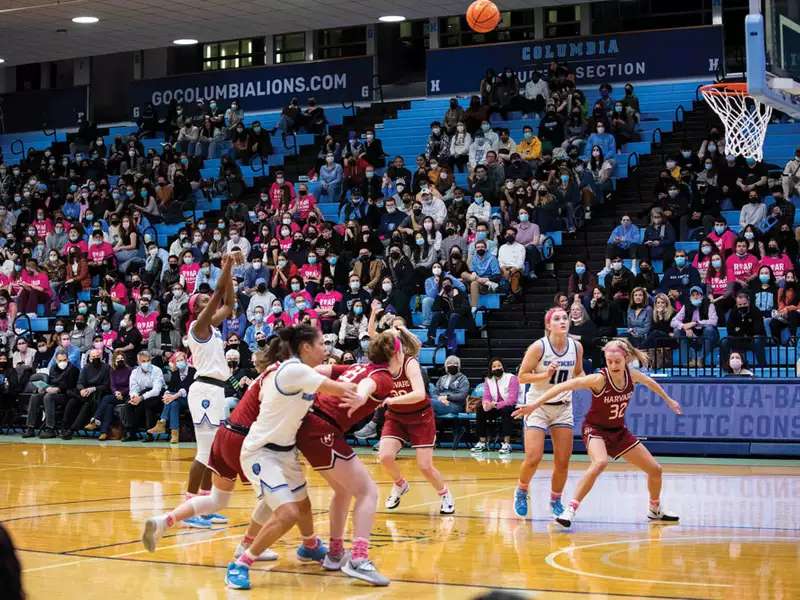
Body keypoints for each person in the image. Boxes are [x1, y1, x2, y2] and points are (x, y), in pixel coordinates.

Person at [230, 326, 359, 590]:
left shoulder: (297, 371)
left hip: (285, 451)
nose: (326, 348)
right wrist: (376, 381)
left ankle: (310, 545)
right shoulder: (293, 370)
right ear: (306, 348)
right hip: (261, 452)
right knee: (287, 512)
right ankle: (242, 563)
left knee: (303, 506)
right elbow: (340, 389)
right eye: (322, 343)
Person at [513, 338, 682, 528]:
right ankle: (570, 509)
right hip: (595, 430)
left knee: (655, 469)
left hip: (618, 431)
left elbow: (651, 383)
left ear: (626, 358)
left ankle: (655, 509)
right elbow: (563, 386)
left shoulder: (632, 375)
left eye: (617, 361)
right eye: (609, 362)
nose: (613, 365)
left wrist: (669, 400)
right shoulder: (599, 379)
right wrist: (534, 404)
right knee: (600, 462)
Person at [296, 331, 411, 585]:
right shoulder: (382, 377)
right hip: (322, 430)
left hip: (310, 425)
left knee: (343, 490)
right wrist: (360, 395)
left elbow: (321, 371)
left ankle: (335, 553)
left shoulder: (358, 366)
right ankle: (359, 558)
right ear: (396, 354)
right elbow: (370, 385)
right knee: (368, 491)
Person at [178, 252, 239, 528]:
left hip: (215, 390)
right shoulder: (197, 327)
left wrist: (231, 275)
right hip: (203, 390)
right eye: (203, 302)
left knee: (212, 452)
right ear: (196, 309)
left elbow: (229, 303)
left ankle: (204, 505)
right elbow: (217, 294)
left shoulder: (213, 328)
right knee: (204, 453)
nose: (209, 302)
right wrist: (226, 265)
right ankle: (189, 508)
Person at [513, 307, 584, 519]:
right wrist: (546, 374)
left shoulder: (576, 347)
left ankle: (555, 499)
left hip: (563, 407)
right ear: (548, 325)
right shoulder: (539, 347)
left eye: (565, 318)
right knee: (533, 457)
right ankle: (522, 490)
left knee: (562, 460)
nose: (563, 321)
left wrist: (593, 384)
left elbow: (579, 373)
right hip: (538, 406)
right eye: (557, 319)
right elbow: (522, 377)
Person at [377, 326, 454, 515]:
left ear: (397, 345)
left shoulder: (410, 363)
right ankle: (400, 484)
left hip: (420, 416)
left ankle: (445, 494)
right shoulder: (382, 364)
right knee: (385, 456)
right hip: (396, 417)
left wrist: (391, 400)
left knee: (424, 466)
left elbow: (420, 394)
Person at [22, 349, 79, 438]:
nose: (62, 362)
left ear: (68, 359)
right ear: (56, 360)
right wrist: (45, 388)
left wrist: (58, 388)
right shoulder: (53, 368)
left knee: (48, 397)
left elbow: (70, 385)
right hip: (52, 391)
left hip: (66, 395)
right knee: (35, 396)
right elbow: (52, 381)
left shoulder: (74, 370)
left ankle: (50, 428)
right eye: (60, 360)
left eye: (64, 360)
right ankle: (30, 427)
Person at [471, 358, 518, 456]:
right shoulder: (488, 380)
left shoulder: (512, 378)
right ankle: (482, 442)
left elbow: (512, 400)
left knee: (506, 410)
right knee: (480, 409)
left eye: (499, 365)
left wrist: (496, 405)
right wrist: (486, 404)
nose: (497, 368)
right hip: (495, 406)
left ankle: (506, 443)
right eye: (494, 366)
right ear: (491, 369)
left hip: (511, 406)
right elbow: (486, 396)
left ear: (503, 367)